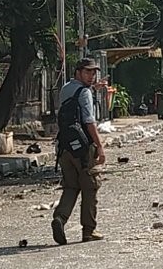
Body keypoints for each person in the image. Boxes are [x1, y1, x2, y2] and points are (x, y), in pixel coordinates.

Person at [52, 58, 106, 245]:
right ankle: (88, 231)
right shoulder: (84, 93)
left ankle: (60, 218)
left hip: (64, 146)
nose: (92, 76)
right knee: (90, 187)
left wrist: (92, 89)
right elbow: (89, 122)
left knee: (70, 186)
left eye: (93, 73)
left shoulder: (67, 88)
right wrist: (99, 146)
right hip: (83, 148)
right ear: (78, 72)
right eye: (88, 72)